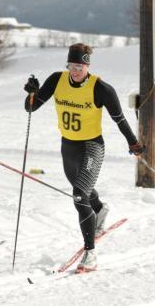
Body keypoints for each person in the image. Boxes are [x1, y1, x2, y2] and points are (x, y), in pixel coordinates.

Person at [23, 43, 145, 273]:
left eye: (80, 66)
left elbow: (119, 119)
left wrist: (133, 142)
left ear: (87, 65)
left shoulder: (101, 89)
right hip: (68, 145)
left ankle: (90, 254)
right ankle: (99, 209)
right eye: (72, 65)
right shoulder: (57, 80)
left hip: (92, 146)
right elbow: (30, 108)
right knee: (83, 191)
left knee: (79, 195)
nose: (75, 70)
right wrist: (32, 93)